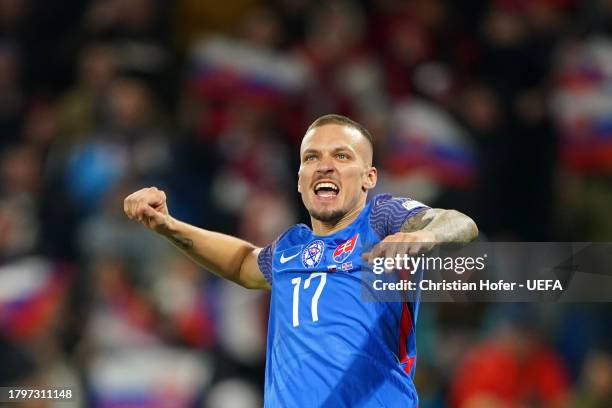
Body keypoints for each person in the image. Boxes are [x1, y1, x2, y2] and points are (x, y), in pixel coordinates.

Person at [124, 114, 478, 407]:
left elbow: (460, 223)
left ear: (369, 177)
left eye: (342, 156)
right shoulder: (290, 246)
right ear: (299, 180)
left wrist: (421, 236)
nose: (325, 166)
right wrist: (168, 227)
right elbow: (244, 264)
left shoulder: (381, 220)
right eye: (312, 157)